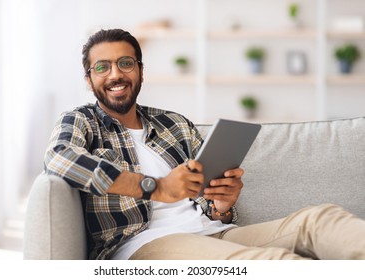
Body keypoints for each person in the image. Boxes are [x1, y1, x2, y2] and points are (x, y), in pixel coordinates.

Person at [44, 28, 365, 260]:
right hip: (142, 246)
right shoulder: (82, 121)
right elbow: (59, 158)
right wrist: (155, 187)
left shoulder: (175, 125)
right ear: (89, 80)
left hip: (212, 232)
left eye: (126, 63)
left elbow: (209, 205)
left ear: (140, 71)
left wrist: (222, 205)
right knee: (272, 265)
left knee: (319, 220)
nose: (116, 74)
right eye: (102, 67)